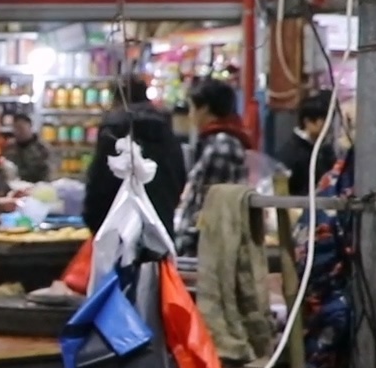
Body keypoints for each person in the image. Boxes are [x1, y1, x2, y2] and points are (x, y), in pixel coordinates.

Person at [84, 74, 186, 238]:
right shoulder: (165, 127)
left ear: (116, 98)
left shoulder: (113, 128)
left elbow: (100, 181)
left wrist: (93, 221)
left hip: (116, 230)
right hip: (159, 226)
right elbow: (179, 176)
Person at [175, 78, 253, 255]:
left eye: (193, 108)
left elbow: (208, 207)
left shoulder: (221, 146)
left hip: (207, 250)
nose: (190, 115)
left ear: (205, 109)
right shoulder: (218, 141)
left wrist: (186, 242)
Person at [278, 90, 334, 198]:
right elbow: (281, 191)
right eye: (323, 120)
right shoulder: (291, 152)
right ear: (308, 121)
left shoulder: (325, 150)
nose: (328, 126)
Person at [2, 110, 51, 182]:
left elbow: (48, 172)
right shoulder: (9, 148)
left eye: (21, 128)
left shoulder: (42, 149)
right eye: (15, 128)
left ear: (30, 127)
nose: (18, 131)